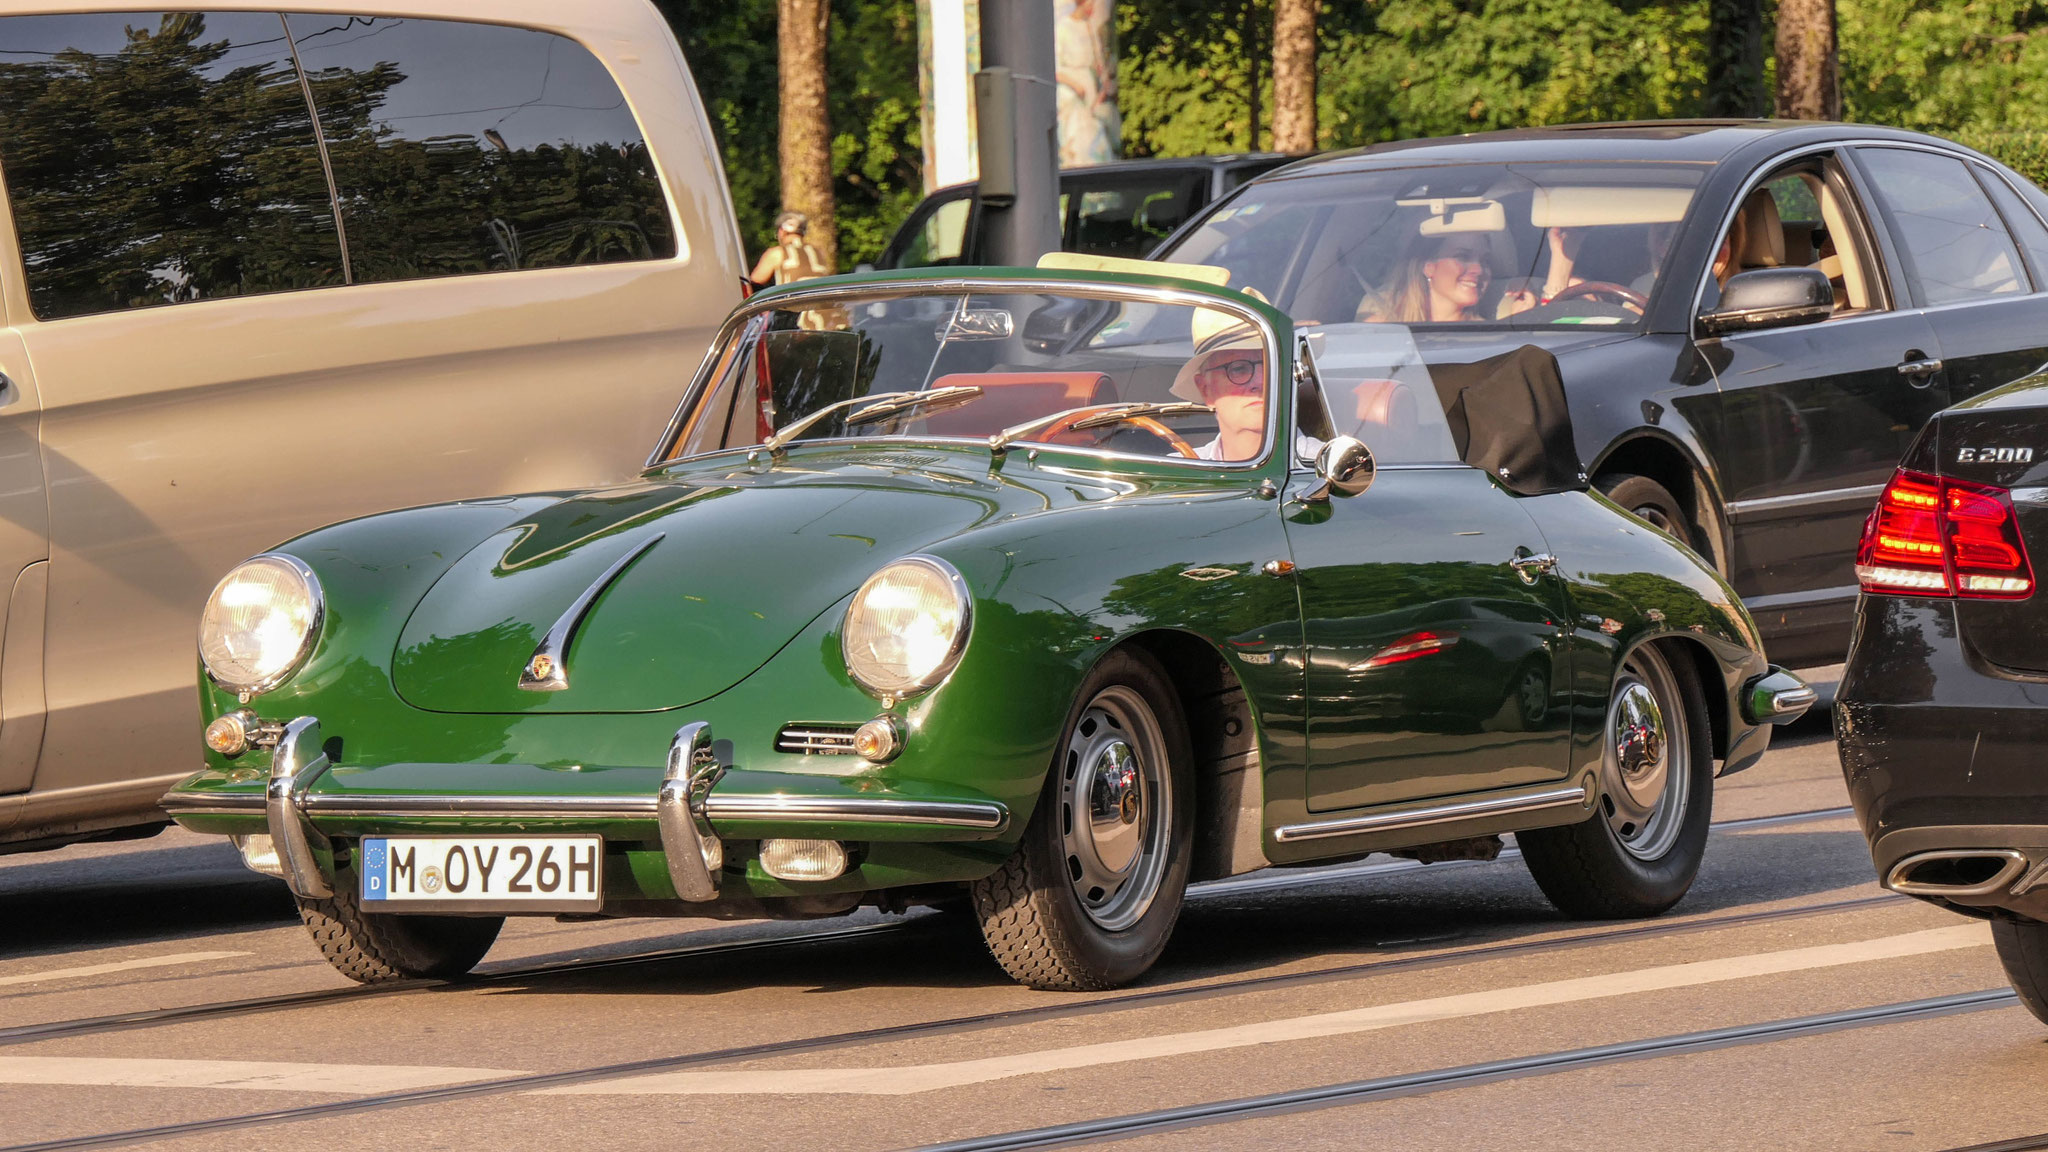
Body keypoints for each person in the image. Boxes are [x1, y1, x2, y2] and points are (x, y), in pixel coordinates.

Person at [1357, 232, 1501, 323]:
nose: (1478, 269)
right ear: (1428, 267)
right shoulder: (1381, 325)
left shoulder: (1488, 337)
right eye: (1462, 257)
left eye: (1485, 261)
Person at [749, 210, 831, 288]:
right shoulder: (819, 252)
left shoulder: (777, 252)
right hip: (823, 297)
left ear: (782, 231)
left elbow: (756, 280)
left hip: (793, 297)